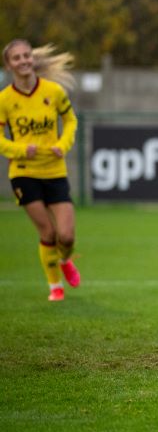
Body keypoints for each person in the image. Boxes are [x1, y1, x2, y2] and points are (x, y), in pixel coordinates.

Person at [0, 39, 81, 301]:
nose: (23, 61)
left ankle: (65, 260)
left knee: (66, 236)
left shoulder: (53, 91)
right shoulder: (5, 100)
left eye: (26, 56)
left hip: (54, 170)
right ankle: (54, 286)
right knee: (48, 232)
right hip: (23, 171)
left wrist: (62, 144)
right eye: (17, 58)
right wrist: (20, 150)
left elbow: (69, 120)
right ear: (8, 64)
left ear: (32, 59)